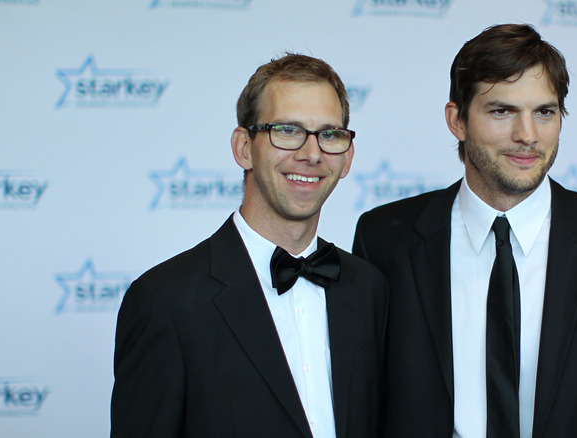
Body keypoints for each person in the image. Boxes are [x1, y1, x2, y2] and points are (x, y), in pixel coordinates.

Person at [353, 24, 577, 437]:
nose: (527, 136)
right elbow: (363, 407)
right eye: (502, 111)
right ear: (457, 120)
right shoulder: (386, 238)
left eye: (544, 112)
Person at [111, 53, 388, 438]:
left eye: (329, 135)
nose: (311, 154)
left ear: (347, 157)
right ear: (243, 148)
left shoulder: (369, 287)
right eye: (287, 131)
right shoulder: (165, 301)